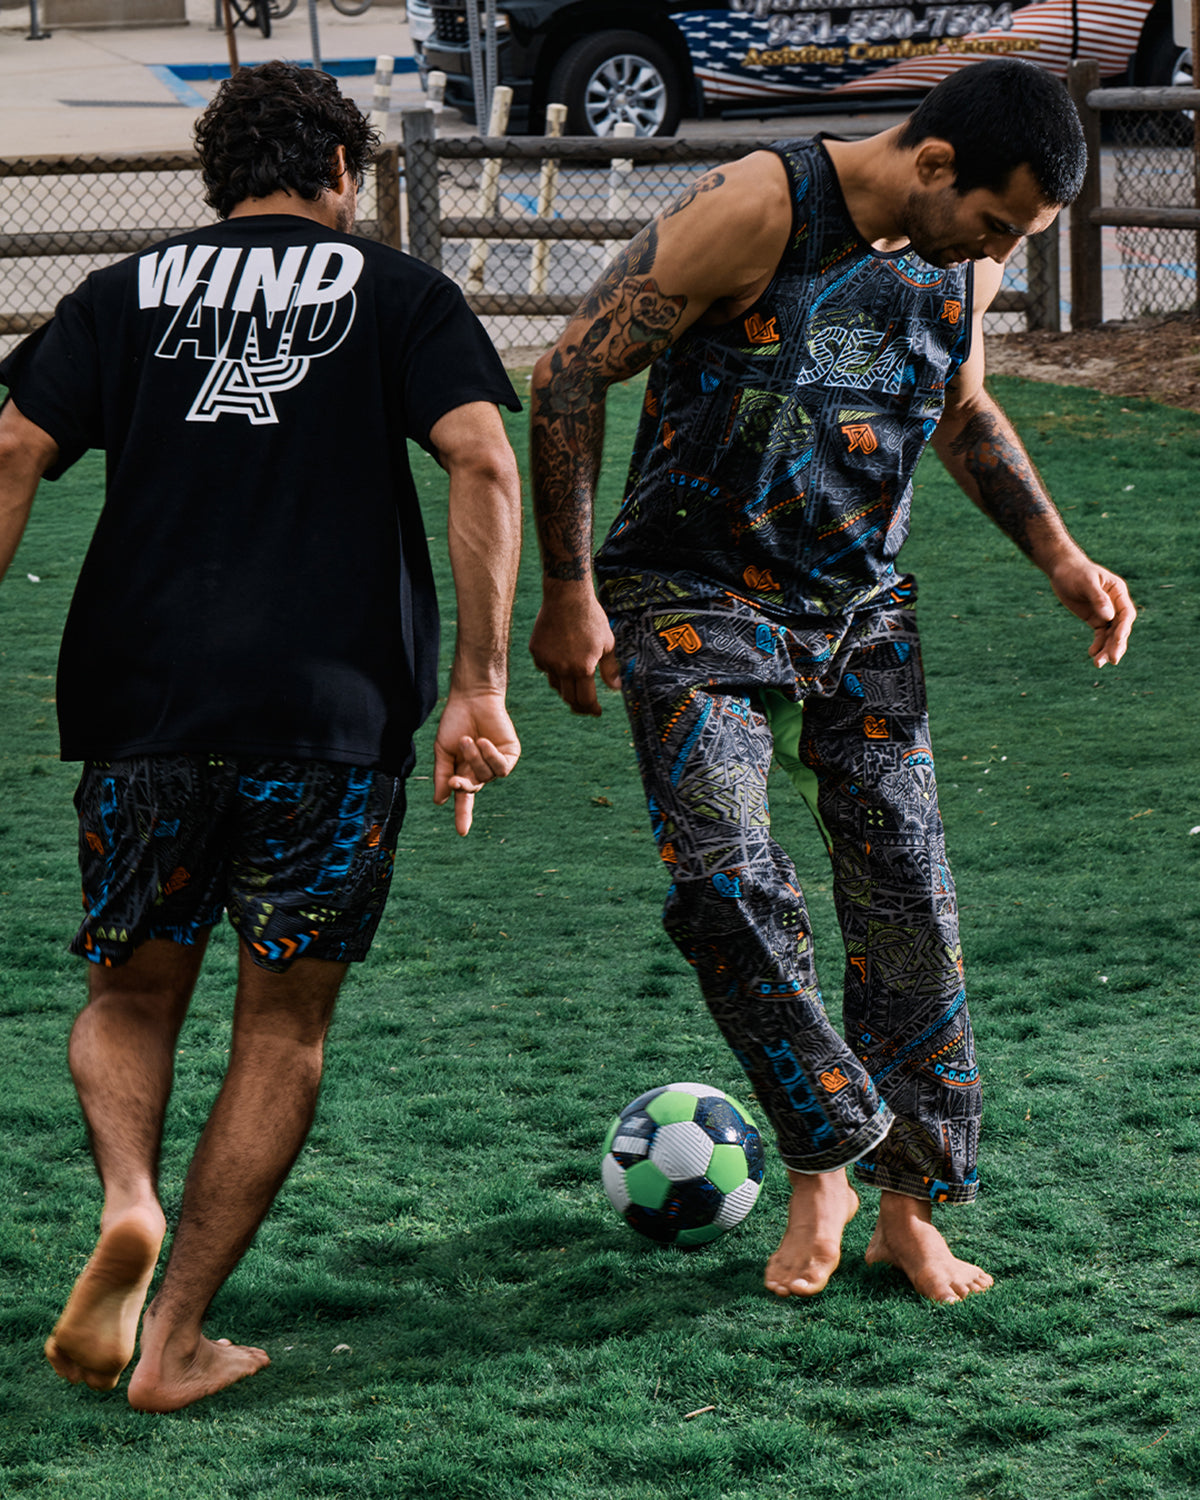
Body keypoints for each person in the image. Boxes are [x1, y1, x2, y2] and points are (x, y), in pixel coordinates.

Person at [528, 59, 1136, 1306]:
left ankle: (909, 1214)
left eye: (1019, 237)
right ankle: (826, 1163)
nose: (999, 253)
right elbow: (570, 371)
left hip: (861, 609)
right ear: (933, 164)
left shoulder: (966, 256)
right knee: (723, 882)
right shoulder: (757, 206)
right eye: (996, 222)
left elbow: (961, 406)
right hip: (693, 593)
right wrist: (569, 591)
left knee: (909, 897)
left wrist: (1062, 555)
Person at [0, 60, 522, 1411]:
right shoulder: (400, 292)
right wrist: (478, 683)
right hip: (328, 718)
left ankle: (128, 1195)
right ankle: (174, 1336)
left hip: (143, 709)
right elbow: (482, 456)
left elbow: (9, 451)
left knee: (128, 996)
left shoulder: (121, 293)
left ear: (216, 179)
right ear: (341, 171)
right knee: (281, 1031)